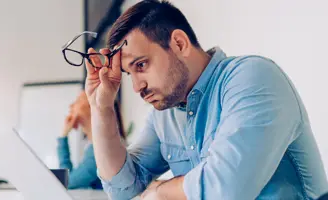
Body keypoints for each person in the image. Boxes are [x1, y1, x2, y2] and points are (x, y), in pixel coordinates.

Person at [80, 0, 328, 199]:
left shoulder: (252, 77)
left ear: (179, 43)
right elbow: (123, 189)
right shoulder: (165, 114)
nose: (136, 86)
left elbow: (225, 190)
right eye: (128, 73)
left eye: (141, 65)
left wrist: (159, 192)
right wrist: (100, 108)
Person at [57, 91, 126, 190]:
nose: (71, 105)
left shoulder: (104, 149)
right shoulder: (96, 146)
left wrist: (63, 138)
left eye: (78, 101)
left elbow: (66, 182)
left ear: (94, 107)